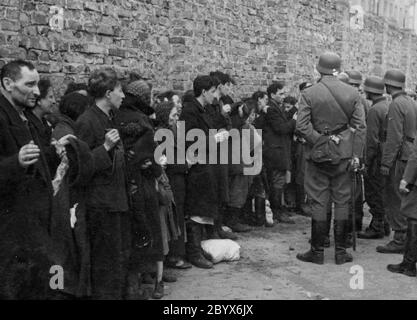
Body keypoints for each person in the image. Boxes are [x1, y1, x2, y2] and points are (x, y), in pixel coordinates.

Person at [0, 60, 77, 299]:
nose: (36, 91)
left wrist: (53, 152)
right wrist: (16, 162)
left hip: (34, 224)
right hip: (13, 229)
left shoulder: (22, 115)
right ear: (8, 83)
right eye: (30, 84)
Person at [296, 52, 366, 265]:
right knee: (343, 201)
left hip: (317, 155)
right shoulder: (352, 93)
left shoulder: (309, 93)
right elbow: (360, 128)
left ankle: (317, 252)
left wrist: (320, 141)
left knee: (318, 201)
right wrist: (356, 155)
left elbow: (301, 126)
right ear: (338, 68)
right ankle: (341, 252)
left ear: (319, 69)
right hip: (344, 155)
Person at [75, 68, 131, 299]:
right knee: (105, 263)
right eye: (119, 91)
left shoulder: (109, 118)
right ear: (108, 93)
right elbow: (80, 169)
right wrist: (105, 148)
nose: (123, 96)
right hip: (101, 205)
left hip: (116, 201)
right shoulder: (87, 122)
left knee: (117, 260)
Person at [180, 75, 219, 269]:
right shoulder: (190, 111)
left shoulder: (203, 109)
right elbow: (189, 140)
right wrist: (214, 139)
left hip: (206, 164)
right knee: (196, 208)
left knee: (203, 207)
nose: (215, 95)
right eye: (213, 91)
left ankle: (197, 248)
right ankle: (193, 251)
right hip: (196, 166)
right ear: (204, 92)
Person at [377, 69, 417, 254]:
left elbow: (394, 137)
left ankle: (400, 238)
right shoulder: (410, 102)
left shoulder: (396, 104)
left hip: (400, 156)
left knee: (395, 197)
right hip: (409, 154)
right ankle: (407, 237)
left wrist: (386, 163)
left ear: (389, 85)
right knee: (406, 197)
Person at [256, 84, 296, 225]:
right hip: (275, 151)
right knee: (277, 181)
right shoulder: (272, 110)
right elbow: (281, 128)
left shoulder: (275, 108)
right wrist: (294, 120)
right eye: (281, 93)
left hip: (279, 149)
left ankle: (278, 210)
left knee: (278, 181)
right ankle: (277, 211)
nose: (283, 96)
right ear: (273, 95)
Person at [358, 76, 390, 240]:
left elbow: (371, 140)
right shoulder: (386, 106)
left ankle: (377, 226)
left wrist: (366, 161)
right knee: (381, 192)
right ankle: (384, 224)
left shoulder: (375, 110)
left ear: (371, 91)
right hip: (385, 156)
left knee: (372, 193)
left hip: (376, 157)